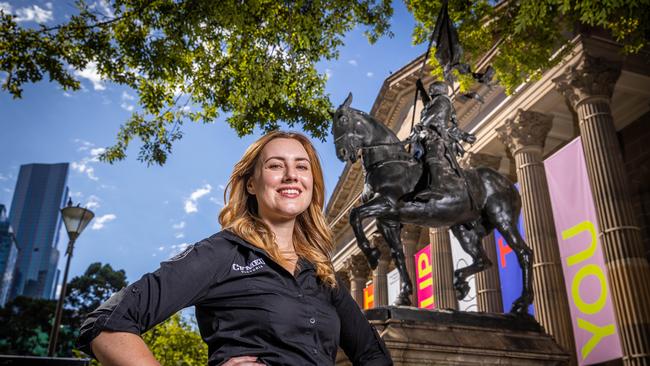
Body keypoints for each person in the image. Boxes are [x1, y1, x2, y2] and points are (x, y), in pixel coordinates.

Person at [77, 131, 393, 366]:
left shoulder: (323, 274)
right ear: (251, 183)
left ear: (312, 183)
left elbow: (372, 356)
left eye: (302, 166)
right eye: (275, 166)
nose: (290, 176)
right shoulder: (222, 254)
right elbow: (105, 325)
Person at [411, 79, 475, 201]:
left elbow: (433, 115)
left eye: (432, 88)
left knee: (432, 153)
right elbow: (427, 103)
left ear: (439, 89)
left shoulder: (443, 101)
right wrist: (420, 88)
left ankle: (436, 186)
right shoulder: (434, 102)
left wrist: (421, 125)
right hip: (429, 134)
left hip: (439, 136)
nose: (430, 91)